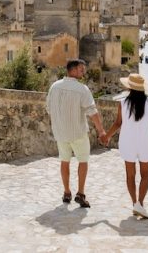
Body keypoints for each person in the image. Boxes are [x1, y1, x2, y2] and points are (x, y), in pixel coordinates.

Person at [46, 59, 106, 208]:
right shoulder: (82, 89)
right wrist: (101, 131)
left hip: (61, 132)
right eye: (80, 69)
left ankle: (66, 192)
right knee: (83, 161)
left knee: (64, 161)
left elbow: (48, 107)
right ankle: (80, 193)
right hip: (77, 132)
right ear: (71, 70)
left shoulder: (54, 86)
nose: (83, 72)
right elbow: (92, 112)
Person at [103, 73, 148, 219]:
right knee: (146, 175)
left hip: (128, 141)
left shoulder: (122, 103)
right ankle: (140, 203)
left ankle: (135, 204)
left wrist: (106, 136)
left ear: (130, 87)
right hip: (145, 141)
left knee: (130, 175)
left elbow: (117, 123)